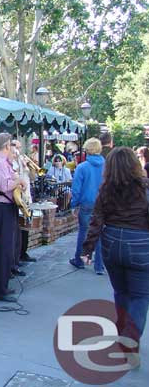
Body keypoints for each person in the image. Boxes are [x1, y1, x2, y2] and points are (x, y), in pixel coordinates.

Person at [82, 147, 149, 355]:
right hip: (139, 243)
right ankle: (130, 337)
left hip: (111, 243)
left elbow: (97, 219)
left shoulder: (106, 189)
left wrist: (88, 249)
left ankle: (123, 331)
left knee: (121, 292)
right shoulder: (144, 188)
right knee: (140, 297)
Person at [0, 133, 26, 302]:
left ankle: (2, 285)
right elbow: (4, 185)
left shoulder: (1, 162)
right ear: (7, 146)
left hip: (6, 206)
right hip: (1, 207)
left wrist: (18, 178)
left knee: (8, 247)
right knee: (4, 248)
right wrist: (19, 180)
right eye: (12, 145)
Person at [69, 138, 105, 274]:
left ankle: (79, 260)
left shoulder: (82, 167)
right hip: (102, 204)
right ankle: (99, 266)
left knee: (83, 233)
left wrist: (74, 205)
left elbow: (76, 189)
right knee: (100, 233)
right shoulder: (106, 166)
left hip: (86, 203)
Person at [10, 139, 35, 265]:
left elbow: (33, 177)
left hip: (26, 196)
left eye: (20, 147)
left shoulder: (22, 160)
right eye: (17, 147)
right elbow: (15, 179)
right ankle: (16, 256)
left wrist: (28, 167)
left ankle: (23, 252)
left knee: (25, 226)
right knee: (18, 228)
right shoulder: (10, 162)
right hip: (18, 197)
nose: (19, 151)